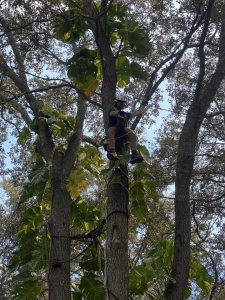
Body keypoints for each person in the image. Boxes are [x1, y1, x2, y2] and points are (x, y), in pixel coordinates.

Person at [107, 99, 148, 164]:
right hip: (114, 129)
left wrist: (144, 108)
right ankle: (112, 151)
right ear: (116, 103)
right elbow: (112, 113)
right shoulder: (112, 110)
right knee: (110, 130)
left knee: (132, 134)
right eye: (120, 103)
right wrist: (119, 113)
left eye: (123, 104)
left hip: (123, 130)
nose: (122, 105)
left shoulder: (125, 114)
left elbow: (135, 113)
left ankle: (134, 154)